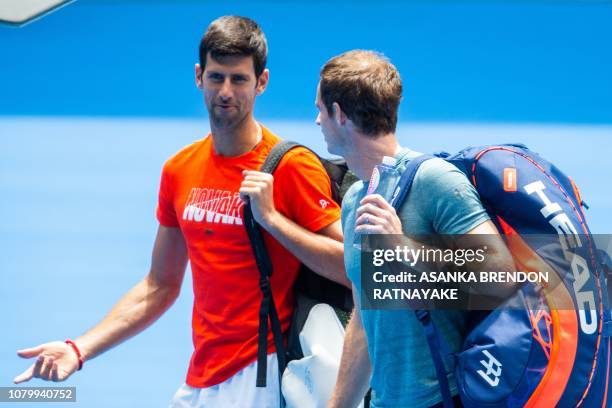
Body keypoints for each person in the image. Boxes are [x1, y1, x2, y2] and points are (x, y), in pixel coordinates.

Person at [14, 16, 348, 408]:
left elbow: (352, 267)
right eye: (216, 77)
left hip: (263, 372)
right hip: (201, 377)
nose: (226, 91)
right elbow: (159, 284)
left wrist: (272, 221)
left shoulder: (289, 167)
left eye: (239, 79)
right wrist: (79, 348)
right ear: (198, 76)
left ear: (262, 82)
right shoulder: (179, 169)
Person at [315, 50, 514, 408]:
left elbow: (499, 278)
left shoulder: (435, 181)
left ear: (339, 114)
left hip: (445, 398)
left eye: (320, 110)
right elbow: (364, 320)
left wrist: (403, 247)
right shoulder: (355, 198)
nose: (317, 121)